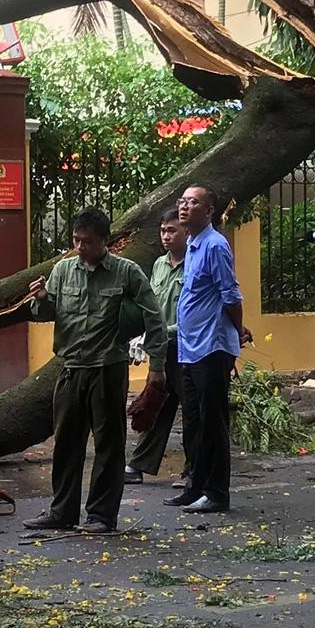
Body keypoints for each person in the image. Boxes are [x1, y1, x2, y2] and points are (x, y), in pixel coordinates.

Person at [22, 207, 167, 534]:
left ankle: (101, 515)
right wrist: (41, 299)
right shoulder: (62, 271)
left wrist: (157, 366)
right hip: (71, 368)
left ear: (106, 241)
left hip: (107, 369)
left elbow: (154, 317)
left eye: (87, 241)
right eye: (76, 240)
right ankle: (62, 511)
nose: (80, 247)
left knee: (108, 444)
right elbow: (47, 312)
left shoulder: (126, 272)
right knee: (66, 444)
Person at [168, 184, 252, 515]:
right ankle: (195, 487)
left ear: (209, 212)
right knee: (194, 421)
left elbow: (230, 294)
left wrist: (238, 330)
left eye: (193, 202)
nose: (185, 207)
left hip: (211, 347)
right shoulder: (191, 244)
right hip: (190, 347)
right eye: (183, 202)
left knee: (212, 421)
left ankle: (217, 493)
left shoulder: (215, 245)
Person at [125, 207, 191, 488]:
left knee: (192, 410)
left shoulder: (195, 265)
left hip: (186, 348)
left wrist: (160, 332)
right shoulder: (159, 265)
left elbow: (192, 316)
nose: (166, 236)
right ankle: (139, 464)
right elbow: (150, 306)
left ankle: (193, 469)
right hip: (160, 349)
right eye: (163, 230)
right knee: (156, 405)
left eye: (172, 230)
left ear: (186, 232)